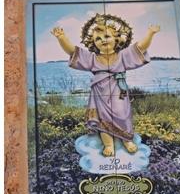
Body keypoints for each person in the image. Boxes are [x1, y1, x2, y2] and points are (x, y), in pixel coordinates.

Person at [51, 14, 160, 156]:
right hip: (99, 95)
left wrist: (150, 33)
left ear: (117, 38)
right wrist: (61, 38)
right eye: (98, 38)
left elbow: (140, 48)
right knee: (102, 119)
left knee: (123, 115)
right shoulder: (92, 58)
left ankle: (127, 140)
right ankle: (108, 145)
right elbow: (72, 51)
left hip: (119, 92)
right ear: (93, 42)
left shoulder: (123, 55)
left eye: (107, 36)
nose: (102, 40)